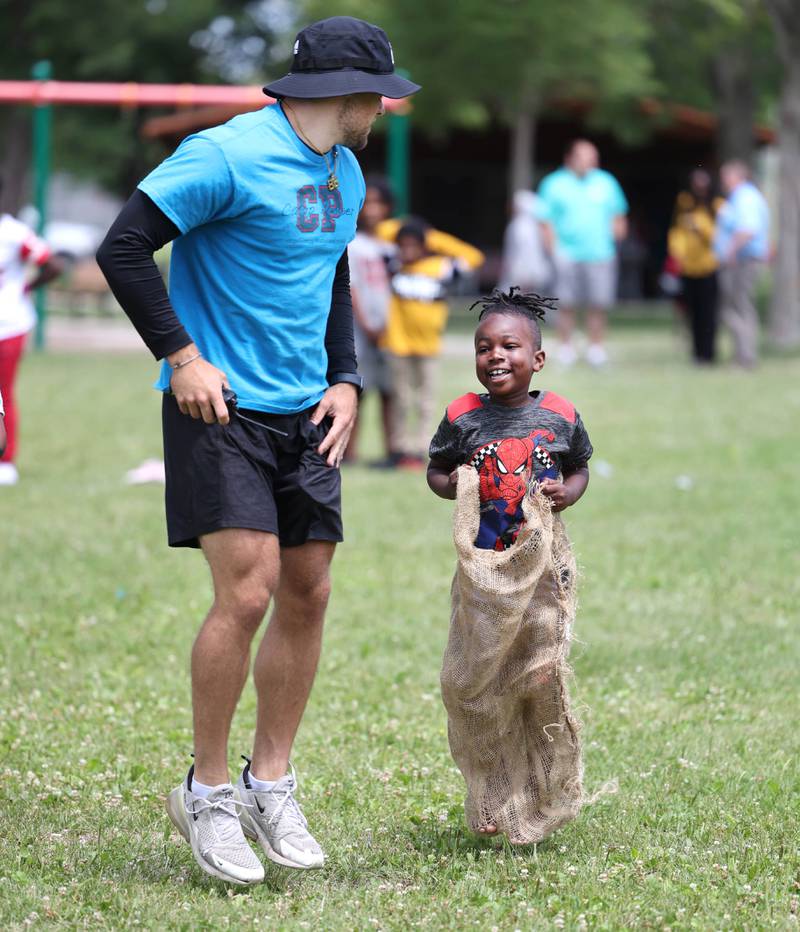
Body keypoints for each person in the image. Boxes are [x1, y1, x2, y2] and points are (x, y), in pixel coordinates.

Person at [96, 16, 420, 885]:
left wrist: (346, 377)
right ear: (345, 94)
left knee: (309, 591)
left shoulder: (345, 170)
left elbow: (334, 274)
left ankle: (268, 782)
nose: (387, 109)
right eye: (381, 95)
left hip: (307, 410)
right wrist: (182, 357)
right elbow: (123, 246)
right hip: (220, 406)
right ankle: (205, 793)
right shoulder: (224, 156)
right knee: (248, 591)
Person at [426, 287, 592, 841]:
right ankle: (495, 791)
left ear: (537, 359)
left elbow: (580, 468)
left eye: (509, 346)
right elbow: (436, 472)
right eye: (483, 347)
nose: (495, 356)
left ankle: (546, 787)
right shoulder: (462, 416)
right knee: (481, 680)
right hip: (485, 576)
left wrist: (568, 490)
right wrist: (456, 486)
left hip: (543, 571)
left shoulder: (560, 415)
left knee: (539, 670)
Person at [382, 217, 483, 468]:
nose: (407, 251)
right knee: (401, 399)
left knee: (425, 400)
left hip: (428, 345)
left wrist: (431, 236)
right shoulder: (393, 265)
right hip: (399, 344)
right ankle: (400, 448)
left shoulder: (440, 267)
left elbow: (473, 256)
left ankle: (422, 446)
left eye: (413, 245)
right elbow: (382, 230)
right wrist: (405, 234)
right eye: (402, 246)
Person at [536, 139, 628, 367]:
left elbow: (618, 215)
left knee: (598, 303)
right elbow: (545, 221)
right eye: (586, 156)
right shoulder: (554, 183)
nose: (591, 161)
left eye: (593, 157)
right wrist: (554, 251)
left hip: (600, 254)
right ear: (570, 158)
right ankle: (566, 348)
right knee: (565, 303)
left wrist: (615, 243)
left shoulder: (606, 182)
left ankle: (596, 348)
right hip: (566, 254)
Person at [0, 188, 62, 485]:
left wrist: (27, 289)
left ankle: (5, 462)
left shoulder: (14, 234)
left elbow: (54, 265)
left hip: (7, 326)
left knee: (3, 393)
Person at [345, 176, 396, 466]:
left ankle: (393, 449)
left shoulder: (394, 245)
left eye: (380, 203)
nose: (373, 210)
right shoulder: (353, 243)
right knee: (357, 390)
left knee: (390, 390)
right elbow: (350, 286)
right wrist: (365, 323)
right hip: (360, 330)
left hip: (390, 331)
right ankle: (349, 451)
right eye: (369, 203)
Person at [714, 160, 770, 368]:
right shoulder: (740, 197)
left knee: (739, 308)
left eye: (725, 176)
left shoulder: (745, 197)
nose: (722, 181)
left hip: (742, 261)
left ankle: (745, 356)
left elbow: (747, 229)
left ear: (736, 177)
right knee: (737, 307)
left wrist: (730, 252)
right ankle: (742, 355)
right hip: (740, 259)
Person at [668, 169, 725, 364]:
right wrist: (676, 254)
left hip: (709, 267)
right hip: (688, 268)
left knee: (708, 313)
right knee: (692, 313)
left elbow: (719, 236)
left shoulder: (717, 206)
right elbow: (676, 232)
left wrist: (701, 228)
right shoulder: (684, 202)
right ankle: (696, 353)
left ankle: (709, 353)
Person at [497, 190, 551, 294]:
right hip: (532, 267)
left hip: (523, 268)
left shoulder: (520, 225)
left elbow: (522, 250)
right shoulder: (534, 225)